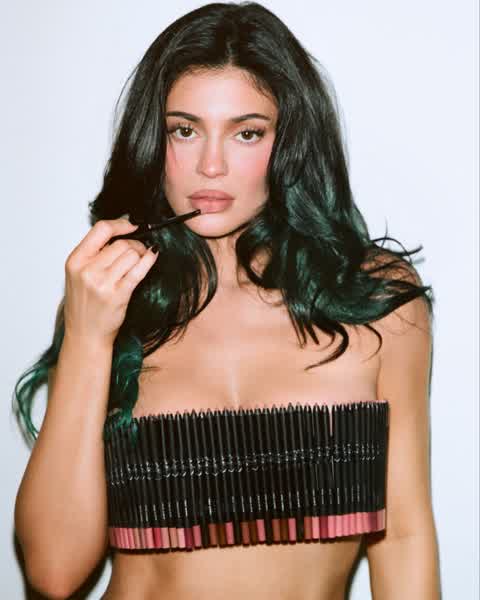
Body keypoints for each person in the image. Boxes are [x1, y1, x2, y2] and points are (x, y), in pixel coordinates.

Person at [12, 2, 441, 599]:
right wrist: (87, 337)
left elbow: (405, 535)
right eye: (184, 130)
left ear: (289, 142)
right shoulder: (113, 297)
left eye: (247, 133)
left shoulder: (376, 302)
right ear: (154, 138)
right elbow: (53, 573)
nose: (210, 166)